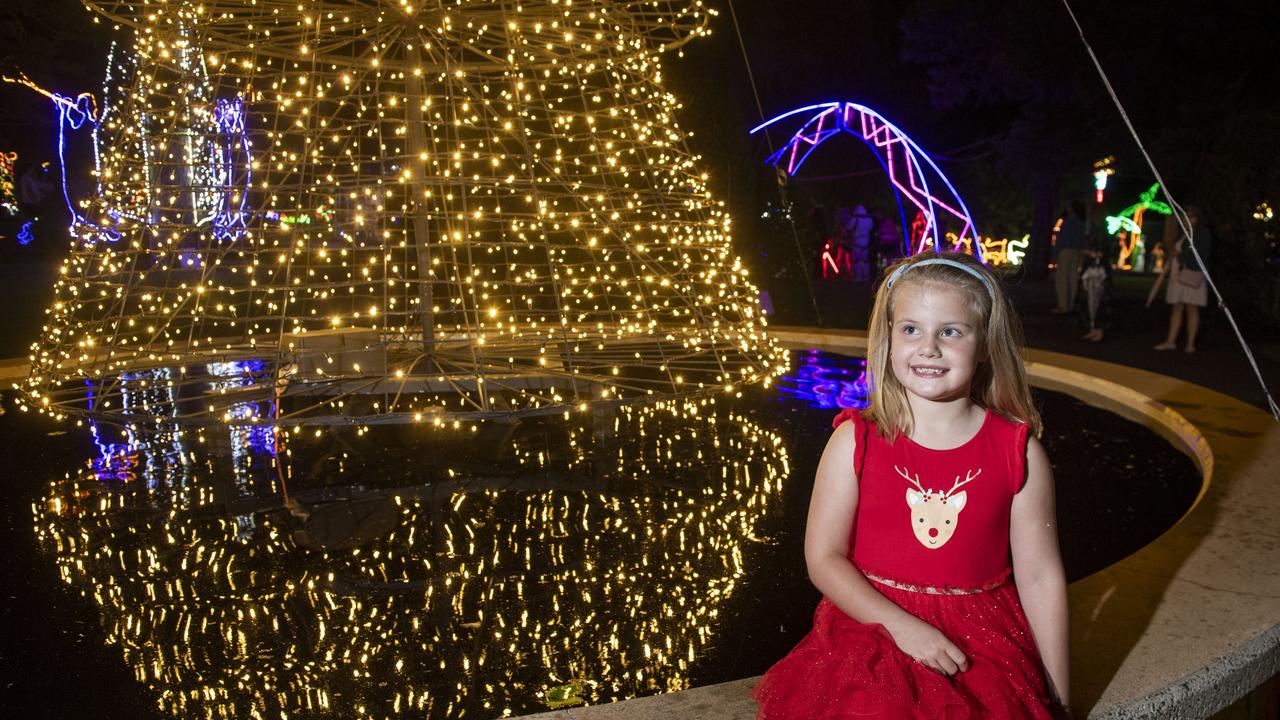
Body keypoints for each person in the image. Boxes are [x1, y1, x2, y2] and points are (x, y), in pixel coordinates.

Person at [753, 251, 1069, 719]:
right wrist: (905, 629)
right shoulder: (855, 441)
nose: (928, 347)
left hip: (981, 636)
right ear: (888, 338)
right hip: (874, 629)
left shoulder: (1018, 452)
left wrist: (1060, 696)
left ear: (984, 344)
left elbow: (1041, 578)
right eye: (911, 329)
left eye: (951, 331)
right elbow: (823, 557)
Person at [1149, 206, 1212, 353]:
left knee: (1192, 307)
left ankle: (1190, 343)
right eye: (1184, 217)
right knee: (1177, 307)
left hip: (1191, 274)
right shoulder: (1181, 234)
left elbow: (1201, 255)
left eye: (1190, 217)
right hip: (1178, 273)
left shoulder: (1202, 234)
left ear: (1197, 219)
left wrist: (1180, 254)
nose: (1186, 220)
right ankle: (1171, 340)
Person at [1052, 201, 1087, 314]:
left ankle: (1063, 306)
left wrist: (1055, 254)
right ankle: (1071, 305)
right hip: (1077, 252)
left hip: (1065, 251)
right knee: (1073, 279)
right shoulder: (1081, 223)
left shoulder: (1067, 222)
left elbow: (1060, 240)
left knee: (1062, 280)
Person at [1078, 244, 1111, 342]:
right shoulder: (1090, 265)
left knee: (1100, 309)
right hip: (1091, 291)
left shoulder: (1103, 266)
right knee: (1090, 309)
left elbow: (1106, 278)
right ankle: (1092, 329)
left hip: (1100, 292)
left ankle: (1099, 331)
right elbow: (1085, 276)